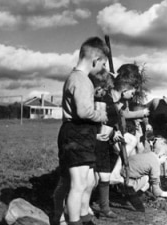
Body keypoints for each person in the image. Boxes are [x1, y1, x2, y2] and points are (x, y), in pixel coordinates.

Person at [53, 36, 109, 225]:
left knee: (87, 182)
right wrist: (100, 115)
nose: (102, 69)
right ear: (95, 60)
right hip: (77, 134)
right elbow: (83, 111)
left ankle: (84, 217)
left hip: (80, 134)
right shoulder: (82, 80)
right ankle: (75, 221)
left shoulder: (75, 77)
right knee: (78, 185)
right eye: (102, 64)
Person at [89, 70, 137, 219]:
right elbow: (96, 120)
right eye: (132, 92)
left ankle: (104, 208)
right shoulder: (104, 98)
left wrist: (112, 134)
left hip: (104, 143)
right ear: (124, 90)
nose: (133, 95)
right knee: (90, 179)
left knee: (104, 176)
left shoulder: (115, 102)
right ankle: (80, 207)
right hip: (95, 142)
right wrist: (110, 134)